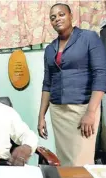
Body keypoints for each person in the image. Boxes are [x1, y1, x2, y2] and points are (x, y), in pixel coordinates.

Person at [38, 3, 106, 166]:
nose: (57, 19)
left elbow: (101, 75)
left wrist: (90, 112)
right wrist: (41, 116)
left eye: (61, 14)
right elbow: (47, 83)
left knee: (81, 162)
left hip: (83, 109)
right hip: (58, 112)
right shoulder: (50, 49)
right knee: (65, 162)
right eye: (52, 17)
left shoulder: (89, 38)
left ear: (71, 16)